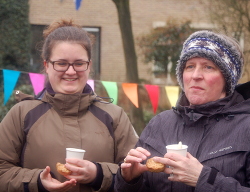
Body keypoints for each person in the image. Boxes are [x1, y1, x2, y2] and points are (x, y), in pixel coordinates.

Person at [0, 19, 138, 192]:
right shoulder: (21, 114)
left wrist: (99, 174)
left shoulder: (114, 116)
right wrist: (37, 182)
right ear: (47, 65)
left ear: (89, 66)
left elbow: (137, 175)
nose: (71, 71)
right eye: (61, 63)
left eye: (79, 63)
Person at [114, 30, 250, 192]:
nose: (196, 75)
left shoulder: (245, 127)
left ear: (227, 80)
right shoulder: (159, 124)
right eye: (190, 66)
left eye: (208, 67)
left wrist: (204, 178)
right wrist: (128, 180)